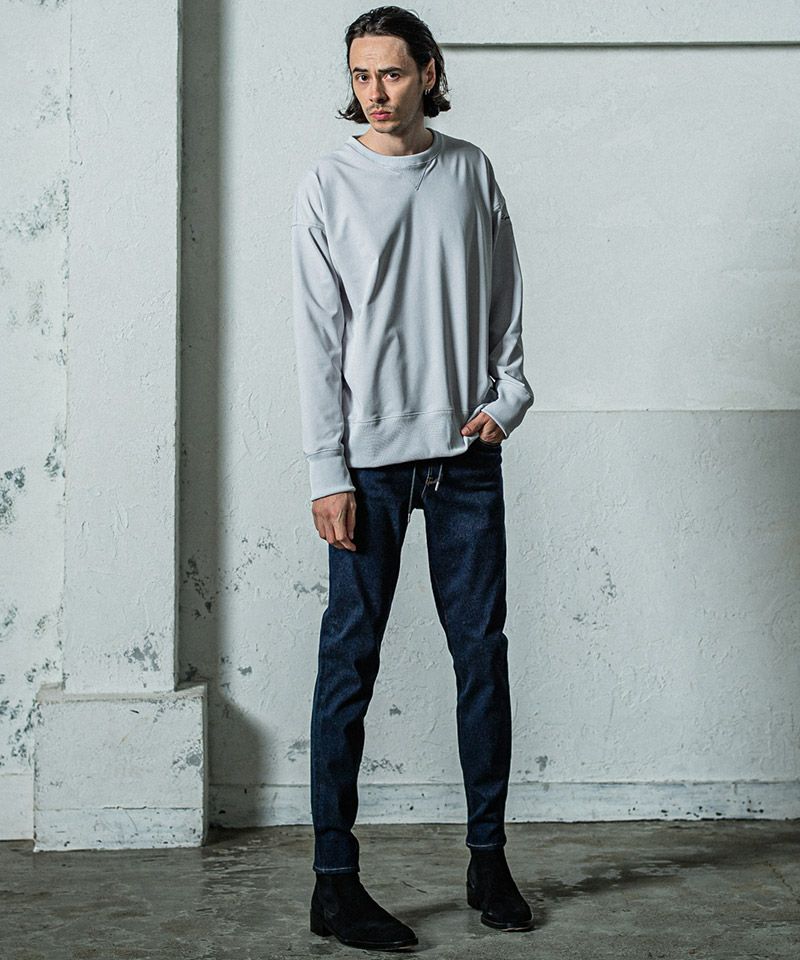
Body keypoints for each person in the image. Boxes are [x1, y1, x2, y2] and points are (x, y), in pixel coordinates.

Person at [291, 5, 535, 950]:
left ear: (429, 71)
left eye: (391, 74)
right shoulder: (328, 183)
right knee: (348, 662)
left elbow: (505, 297)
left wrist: (508, 398)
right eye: (361, 77)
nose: (375, 94)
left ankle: (488, 858)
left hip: (466, 455)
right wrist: (327, 471)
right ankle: (334, 881)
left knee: (481, 654)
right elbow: (317, 341)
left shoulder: (470, 170)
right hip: (368, 467)